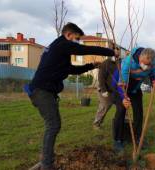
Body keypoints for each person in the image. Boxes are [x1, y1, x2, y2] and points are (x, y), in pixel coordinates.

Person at [24, 22, 119, 170]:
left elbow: (70, 70)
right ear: (68, 35)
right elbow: (86, 49)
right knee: (53, 125)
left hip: (43, 91)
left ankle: (46, 160)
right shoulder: (62, 44)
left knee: (53, 125)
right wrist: (111, 52)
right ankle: (46, 164)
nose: (77, 43)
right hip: (41, 91)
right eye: (76, 39)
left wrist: (92, 66)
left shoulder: (58, 50)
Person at [113, 47, 155, 152]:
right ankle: (118, 140)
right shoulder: (128, 62)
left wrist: (154, 81)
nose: (146, 67)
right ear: (140, 56)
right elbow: (121, 82)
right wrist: (124, 97)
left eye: (148, 65)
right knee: (121, 111)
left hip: (135, 88)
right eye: (144, 63)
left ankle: (138, 139)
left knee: (138, 112)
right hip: (123, 86)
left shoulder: (153, 62)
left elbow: (153, 74)